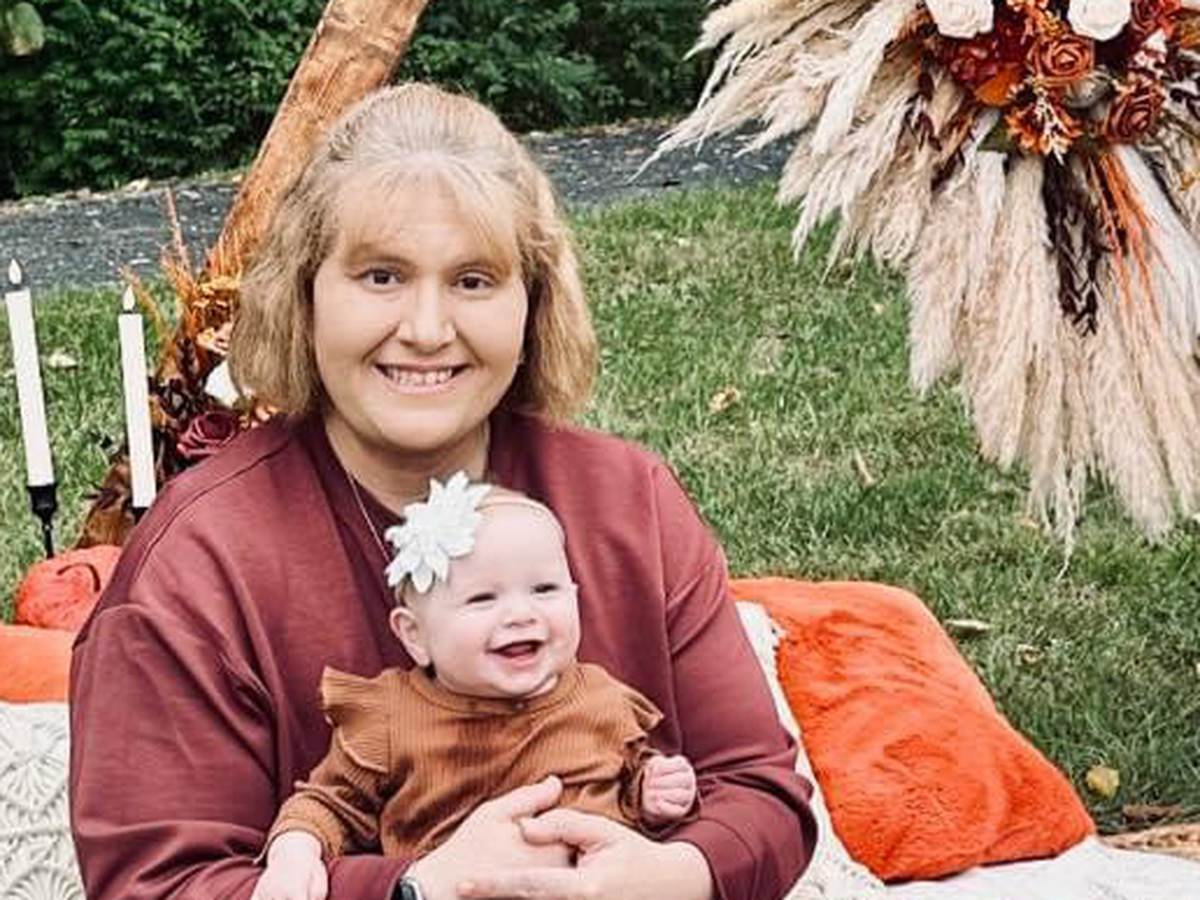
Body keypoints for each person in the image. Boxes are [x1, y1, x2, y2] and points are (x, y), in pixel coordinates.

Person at [69, 82, 817, 900]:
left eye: (473, 281)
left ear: (533, 305)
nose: (427, 330)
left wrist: (671, 874)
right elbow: (155, 886)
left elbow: (761, 792)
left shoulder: (627, 501)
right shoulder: (199, 562)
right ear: (305, 295)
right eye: (381, 276)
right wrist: (416, 888)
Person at [253, 477, 699, 900]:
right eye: (483, 598)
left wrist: (650, 791)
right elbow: (329, 804)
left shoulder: (602, 697)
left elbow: (628, 778)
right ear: (415, 636)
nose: (521, 614)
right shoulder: (392, 718)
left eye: (544, 589)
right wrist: (295, 853)